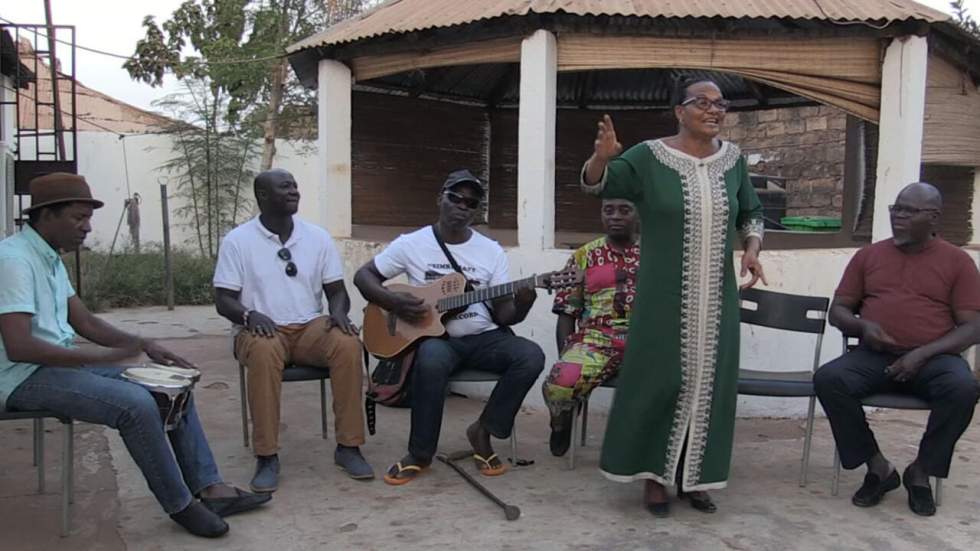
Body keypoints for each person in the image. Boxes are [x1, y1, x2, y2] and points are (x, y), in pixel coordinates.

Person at [0, 173, 270, 538]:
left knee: (172, 387)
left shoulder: (48, 258)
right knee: (135, 404)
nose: (86, 227)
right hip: (23, 376)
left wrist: (143, 344)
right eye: (78, 218)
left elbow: (83, 321)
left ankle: (210, 488)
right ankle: (181, 505)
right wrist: (97, 359)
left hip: (57, 364)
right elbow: (19, 346)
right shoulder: (14, 259)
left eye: (88, 218)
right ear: (46, 215)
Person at [580, 78, 767, 517]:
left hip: (717, 299)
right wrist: (600, 158)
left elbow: (751, 211)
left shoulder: (733, 160)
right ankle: (653, 476)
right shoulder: (649, 156)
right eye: (701, 102)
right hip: (663, 295)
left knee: (710, 384)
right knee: (658, 380)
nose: (713, 109)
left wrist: (753, 249)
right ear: (679, 111)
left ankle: (695, 477)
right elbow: (599, 184)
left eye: (720, 103)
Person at [353, 169, 545, 486]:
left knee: (531, 356)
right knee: (430, 360)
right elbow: (364, 277)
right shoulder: (411, 244)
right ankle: (419, 454)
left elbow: (503, 317)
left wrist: (523, 302)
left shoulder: (491, 251)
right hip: (438, 339)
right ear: (440, 197)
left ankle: (482, 432)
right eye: (455, 197)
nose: (462, 206)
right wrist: (394, 303)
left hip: (485, 337)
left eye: (471, 202)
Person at [813, 182, 980, 517]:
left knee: (964, 388)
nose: (899, 217)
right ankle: (879, 468)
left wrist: (922, 354)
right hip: (874, 356)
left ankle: (920, 471)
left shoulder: (958, 262)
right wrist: (862, 326)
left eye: (909, 211)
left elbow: (973, 326)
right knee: (830, 379)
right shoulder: (869, 256)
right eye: (896, 209)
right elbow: (839, 310)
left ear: (933, 218)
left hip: (934, 360)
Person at [214, 168, 372, 492]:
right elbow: (223, 299)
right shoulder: (237, 241)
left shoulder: (316, 237)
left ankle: (349, 447)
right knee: (263, 349)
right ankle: (267, 456)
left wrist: (339, 313)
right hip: (260, 330)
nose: (294, 192)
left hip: (309, 328)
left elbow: (337, 291)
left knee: (347, 343)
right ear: (262, 197)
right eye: (285, 187)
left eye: (295, 186)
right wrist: (249, 315)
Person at [543, 199, 640, 457]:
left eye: (624, 210)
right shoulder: (584, 255)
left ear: (638, 214)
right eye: (609, 211)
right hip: (596, 341)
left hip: (645, 341)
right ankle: (561, 422)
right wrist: (565, 356)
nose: (616, 216)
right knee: (560, 382)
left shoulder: (657, 253)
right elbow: (566, 311)